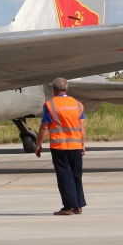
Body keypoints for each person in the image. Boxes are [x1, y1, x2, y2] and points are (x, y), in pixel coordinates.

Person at [35, 77, 86, 216]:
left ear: (54, 90)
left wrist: (38, 144)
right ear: (67, 88)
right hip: (75, 146)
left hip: (60, 147)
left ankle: (68, 207)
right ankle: (78, 206)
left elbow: (44, 127)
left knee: (65, 177)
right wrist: (82, 144)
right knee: (76, 176)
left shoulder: (50, 105)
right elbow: (82, 127)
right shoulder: (78, 104)